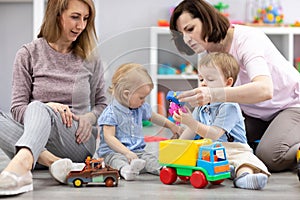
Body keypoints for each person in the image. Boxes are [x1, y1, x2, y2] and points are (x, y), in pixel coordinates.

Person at [169, 0, 300, 173]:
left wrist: (212, 94)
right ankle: (266, 141)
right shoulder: (207, 53)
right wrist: (186, 127)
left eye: (190, 29)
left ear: (207, 20)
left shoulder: (247, 39)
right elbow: (210, 108)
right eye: (182, 34)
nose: (187, 39)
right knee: (213, 140)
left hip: (291, 105)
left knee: (270, 156)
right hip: (256, 113)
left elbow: (264, 90)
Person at [0, 0, 107, 195]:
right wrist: (47, 107)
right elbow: (17, 108)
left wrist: (89, 118)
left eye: (85, 19)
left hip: (77, 141)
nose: (81, 26)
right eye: (75, 17)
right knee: (35, 108)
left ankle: (21, 167)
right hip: (38, 138)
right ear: (56, 15)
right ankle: (53, 163)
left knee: (38, 107)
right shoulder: (28, 54)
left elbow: (102, 104)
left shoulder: (91, 58)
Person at [173, 52, 270, 190]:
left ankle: (244, 177)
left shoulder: (229, 105)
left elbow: (214, 134)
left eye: (210, 79)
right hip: (210, 150)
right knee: (193, 155)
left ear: (228, 83)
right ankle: (227, 170)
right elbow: (189, 133)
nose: (204, 83)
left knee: (245, 161)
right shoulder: (202, 106)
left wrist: (191, 122)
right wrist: (176, 150)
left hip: (234, 149)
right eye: (201, 79)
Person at [97, 63, 182, 181]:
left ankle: (163, 170)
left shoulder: (140, 107)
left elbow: (154, 117)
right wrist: (126, 152)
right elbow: (109, 137)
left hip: (137, 152)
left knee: (150, 159)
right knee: (115, 161)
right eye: (141, 97)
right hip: (114, 152)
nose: (144, 101)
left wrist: (171, 125)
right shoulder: (111, 113)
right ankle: (125, 170)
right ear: (126, 94)